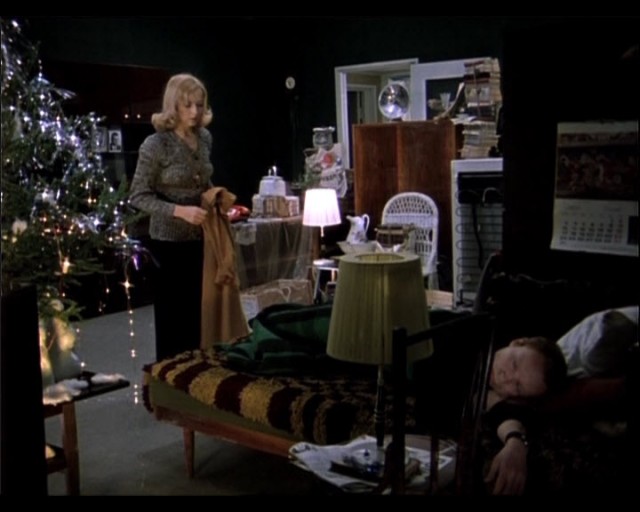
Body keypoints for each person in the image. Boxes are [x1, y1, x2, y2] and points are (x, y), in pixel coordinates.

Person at [129, 73, 214, 360]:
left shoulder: (204, 138)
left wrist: (215, 198)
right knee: (173, 319)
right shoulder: (156, 145)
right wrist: (180, 211)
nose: (195, 112)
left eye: (199, 105)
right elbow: (138, 195)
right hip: (168, 244)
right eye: (187, 105)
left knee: (197, 314)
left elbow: (202, 180)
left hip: (200, 239)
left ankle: (196, 375)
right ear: (173, 106)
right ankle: (170, 377)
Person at [483, 336, 568, 496]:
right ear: (517, 342)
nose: (506, 378)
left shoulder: (491, 394)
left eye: (518, 386)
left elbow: (497, 407)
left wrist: (515, 442)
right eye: (514, 364)